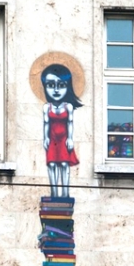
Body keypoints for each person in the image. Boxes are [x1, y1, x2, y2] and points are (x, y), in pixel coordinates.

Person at [41, 64, 83, 198]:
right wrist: (45, 138)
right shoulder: (47, 107)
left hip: (64, 139)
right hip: (53, 139)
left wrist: (70, 138)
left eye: (61, 85)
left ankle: (65, 193)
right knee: (52, 164)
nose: (56, 90)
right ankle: (54, 193)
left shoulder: (68, 106)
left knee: (64, 164)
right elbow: (46, 123)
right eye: (51, 85)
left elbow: (70, 123)